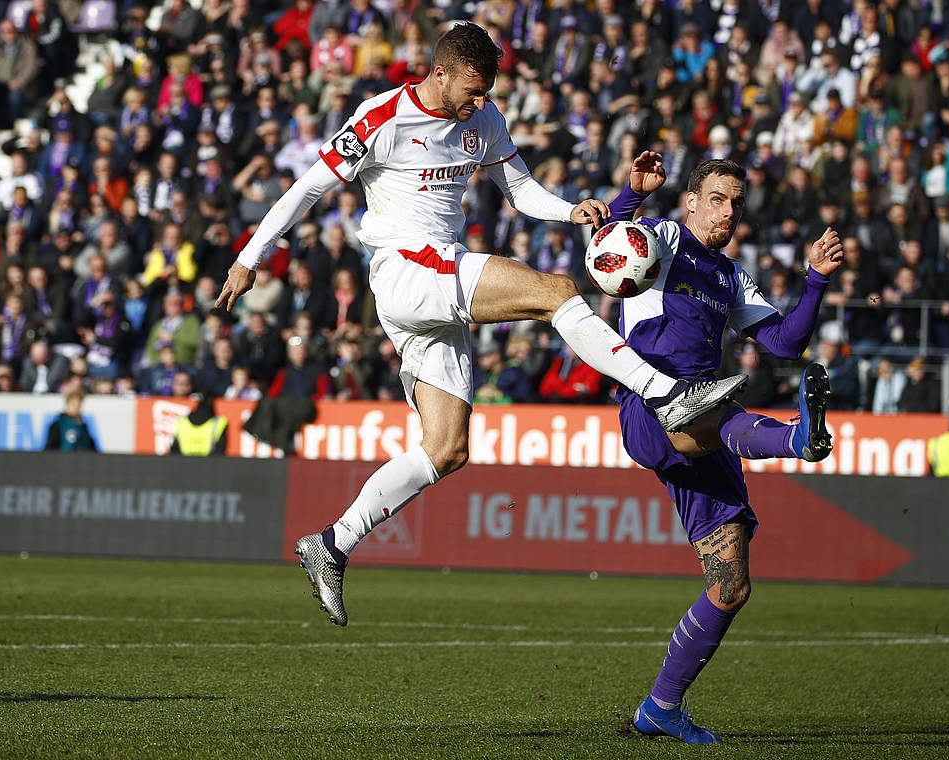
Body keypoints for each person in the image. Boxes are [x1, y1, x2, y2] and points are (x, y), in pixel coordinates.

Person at [214, 23, 744, 627]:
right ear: (440, 72)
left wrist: (570, 209)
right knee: (557, 292)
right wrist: (248, 258)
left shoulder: (484, 118)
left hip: (437, 287)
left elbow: (519, 190)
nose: (481, 99)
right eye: (473, 86)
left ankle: (332, 543)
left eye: (488, 87)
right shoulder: (382, 116)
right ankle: (667, 393)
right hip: (407, 270)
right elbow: (308, 189)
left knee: (448, 448)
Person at [603, 153, 845, 744]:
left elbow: (786, 344)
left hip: (706, 424)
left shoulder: (731, 275)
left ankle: (659, 708)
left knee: (730, 583)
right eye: (716, 197)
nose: (728, 210)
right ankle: (795, 436)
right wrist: (631, 195)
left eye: (736, 201)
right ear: (689, 201)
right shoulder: (660, 237)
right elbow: (608, 247)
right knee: (705, 405)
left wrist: (815, 279)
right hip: (651, 401)